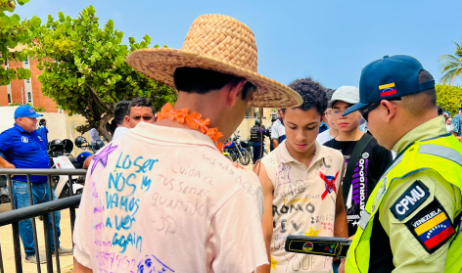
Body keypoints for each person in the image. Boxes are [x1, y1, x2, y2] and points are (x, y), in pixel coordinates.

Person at [73, 14, 302, 273]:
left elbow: (83, 263)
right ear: (235, 92)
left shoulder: (107, 157)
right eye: (247, 102)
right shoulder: (235, 185)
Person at [343, 55, 462, 273]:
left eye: (365, 114)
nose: (366, 124)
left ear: (387, 109)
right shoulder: (442, 149)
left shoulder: (418, 173)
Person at [255, 77, 347, 273]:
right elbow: (263, 234)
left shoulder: (335, 160)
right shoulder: (267, 168)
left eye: (310, 127)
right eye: (292, 126)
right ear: (281, 116)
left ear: (322, 118)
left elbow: (338, 210)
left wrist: (344, 260)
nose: (300, 137)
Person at [0, 105, 72, 264]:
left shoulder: (35, 134)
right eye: (32, 118)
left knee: (55, 215)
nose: (35, 121)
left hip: (45, 184)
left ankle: (54, 247)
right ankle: (31, 254)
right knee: (26, 221)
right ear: (20, 120)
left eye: (35, 117)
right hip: (24, 185)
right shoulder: (10, 135)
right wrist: (5, 164)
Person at [324, 86, 392, 238]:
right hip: (330, 241)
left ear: (362, 112)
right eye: (337, 110)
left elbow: (387, 197)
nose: (343, 115)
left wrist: (363, 234)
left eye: (349, 108)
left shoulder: (378, 147)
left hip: (367, 241)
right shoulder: (323, 151)